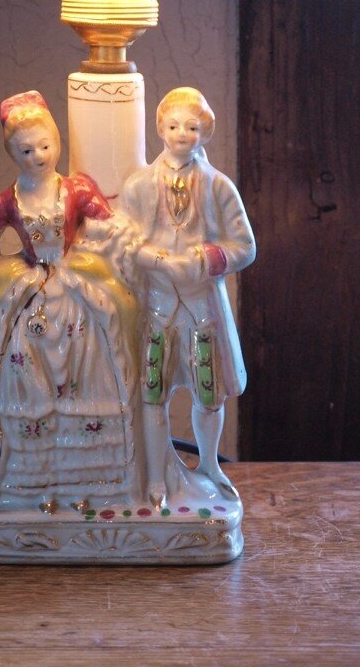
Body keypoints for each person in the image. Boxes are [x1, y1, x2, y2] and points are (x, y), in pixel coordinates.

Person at [0, 92, 137, 512]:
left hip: (74, 294)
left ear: (57, 142)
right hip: (31, 296)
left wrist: (116, 238)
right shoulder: (9, 199)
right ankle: (34, 485)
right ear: (12, 153)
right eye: (26, 150)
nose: (37, 156)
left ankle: (91, 480)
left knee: (85, 374)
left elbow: (108, 224)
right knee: (23, 373)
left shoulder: (75, 188)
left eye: (44, 145)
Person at [118, 87, 256, 508]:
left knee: (208, 394)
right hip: (157, 307)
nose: (182, 134)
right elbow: (122, 243)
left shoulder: (218, 187)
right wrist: (158, 259)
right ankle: (156, 476)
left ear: (204, 133)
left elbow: (244, 246)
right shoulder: (139, 185)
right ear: (160, 128)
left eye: (192, 127)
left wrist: (203, 259)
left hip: (201, 309)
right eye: (174, 125)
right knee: (152, 393)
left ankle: (209, 465)